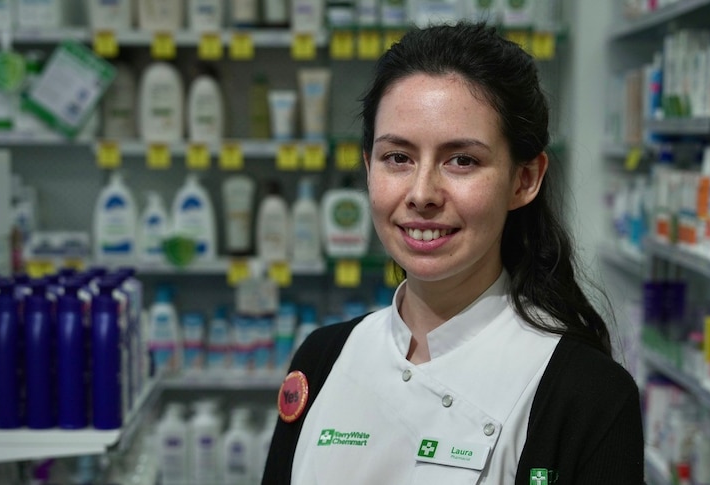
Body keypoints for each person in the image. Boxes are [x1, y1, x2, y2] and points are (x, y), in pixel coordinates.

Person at [263, 21, 644, 485]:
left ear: (524, 179)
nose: (422, 193)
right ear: (368, 168)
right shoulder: (321, 359)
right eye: (397, 158)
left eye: (462, 160)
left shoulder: (587, 395)